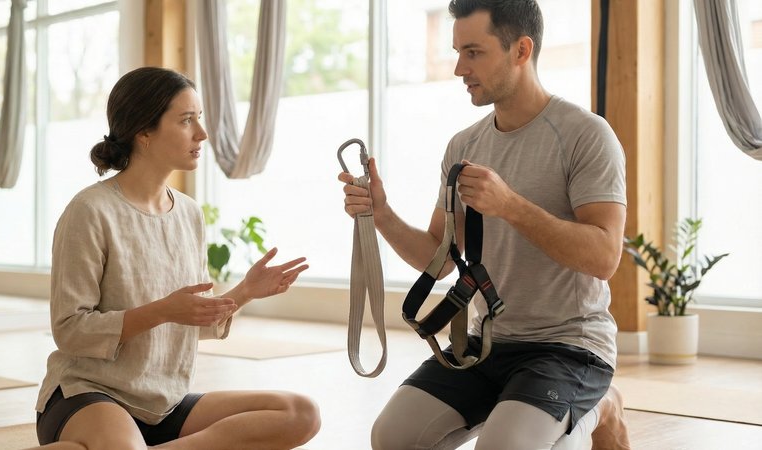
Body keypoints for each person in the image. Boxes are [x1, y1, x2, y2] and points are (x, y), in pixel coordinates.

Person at [339, 1, 630, 449]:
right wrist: (382, 214)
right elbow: (438, 259)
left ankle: (601, 401)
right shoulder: (464, 146)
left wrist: (511, 205)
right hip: (487, 342)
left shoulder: (585, 135)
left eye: (473, 52)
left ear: (521, 50)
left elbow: (604, 257)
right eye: (458, 52)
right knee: (391, 437)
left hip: (569, 346)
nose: (459, 68)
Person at [31, 66, 320, 450]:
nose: (202, 133)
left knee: (300, 412)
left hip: (165, 404)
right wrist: (162, 311)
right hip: (88, 394)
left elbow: (191, 321)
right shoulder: (90, 210)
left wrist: (244, 292)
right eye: (186, 120)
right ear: (144, 132)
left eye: (199, 118)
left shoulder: (189, 213)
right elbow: (70, 330)